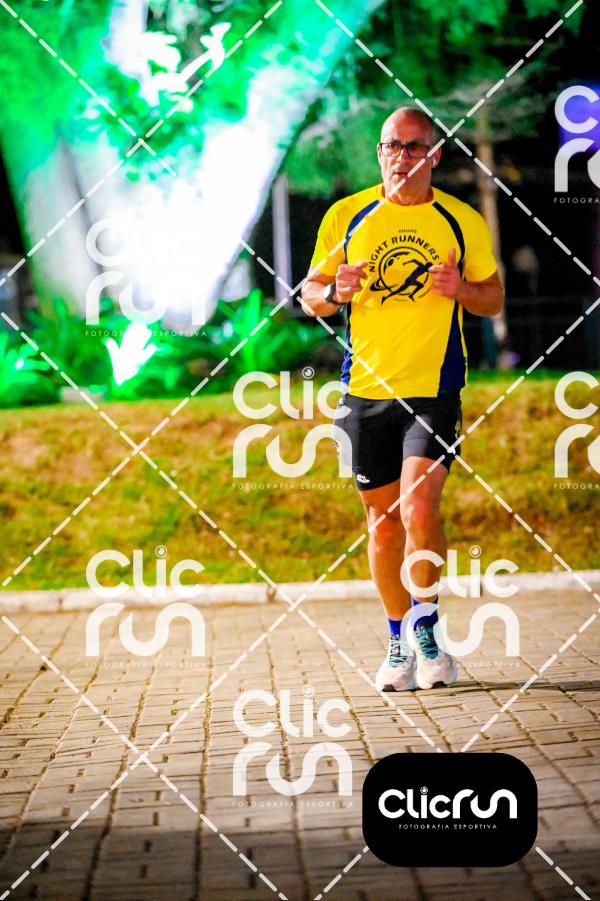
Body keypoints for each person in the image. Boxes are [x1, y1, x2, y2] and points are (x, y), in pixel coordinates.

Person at [301, 107, 504, 692]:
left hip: (433, 391)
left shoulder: (461, 220)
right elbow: (310, 293)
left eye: (415, 147)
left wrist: (460, 289)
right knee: (384, 525)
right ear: (380, 152)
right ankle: (397, 641)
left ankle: (427, 631)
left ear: (434, 154)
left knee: (418, 510)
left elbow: (492, 298)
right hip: (364, 393)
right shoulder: (348, 215)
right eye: (393, 145)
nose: (402, 157)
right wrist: (335, 292)